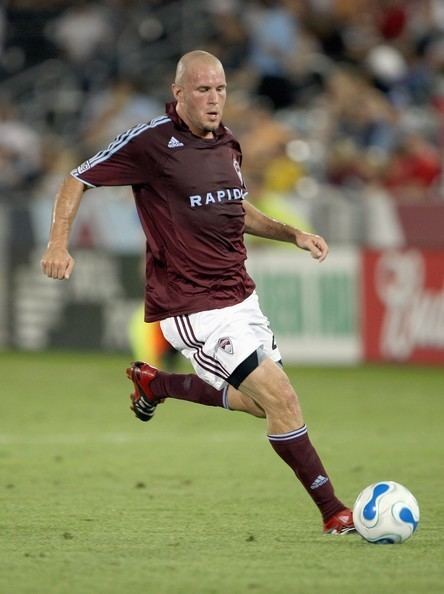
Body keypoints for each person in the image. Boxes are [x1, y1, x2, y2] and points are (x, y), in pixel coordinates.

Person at [41, 50, 355, 535]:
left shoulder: (228, 143)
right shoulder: (150, 142)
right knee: (284, 400)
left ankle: (156, 384)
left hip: (241, 297)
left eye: (221, 89)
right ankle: (335, 512)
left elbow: (238, 208)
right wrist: (58, 243)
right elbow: (76, 177)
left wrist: (291, 233)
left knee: (262, 405)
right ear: (179, 92)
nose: (214, 100)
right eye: (203, 90)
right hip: (194, 305)